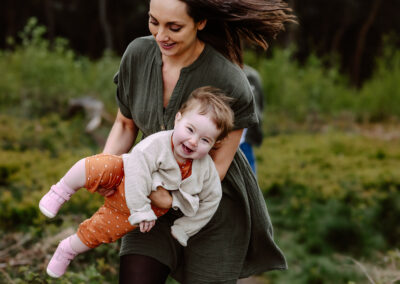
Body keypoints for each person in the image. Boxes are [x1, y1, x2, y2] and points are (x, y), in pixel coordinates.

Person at [102, 0, 296, 283]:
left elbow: (217, 168)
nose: (160, 36)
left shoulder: (230, 80)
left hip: (209, 207)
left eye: (174, 27)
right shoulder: (138, 54)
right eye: (154, 22)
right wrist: (105, 169)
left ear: (200, 22)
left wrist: (169, 196)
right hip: (150, 195)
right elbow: (124, 123)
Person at [39, 87, 234, 278]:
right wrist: (142, 210)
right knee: (96, 166)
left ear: (214, 144)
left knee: (99, 232)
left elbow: (212, 200)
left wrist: (185, 228)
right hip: (123, 175)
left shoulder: (204, 170)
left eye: (205, 140)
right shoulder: (156, 144)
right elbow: (136, 172)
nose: (193, 141)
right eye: (190, 129)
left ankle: (67, 249)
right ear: (178, 118)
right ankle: (61, 191)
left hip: (130, 210)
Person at [240, 65, 265, 174]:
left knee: (250, 186)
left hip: (246, 142)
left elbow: (260, 106)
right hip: (221, 143)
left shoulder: (252, 76)